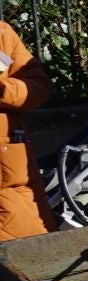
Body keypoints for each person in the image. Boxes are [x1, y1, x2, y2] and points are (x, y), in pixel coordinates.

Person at [0, 20, 53, 239]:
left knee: (28, 251)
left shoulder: (2, 33)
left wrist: (4, 90)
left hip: (9, 176)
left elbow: (38, 87)